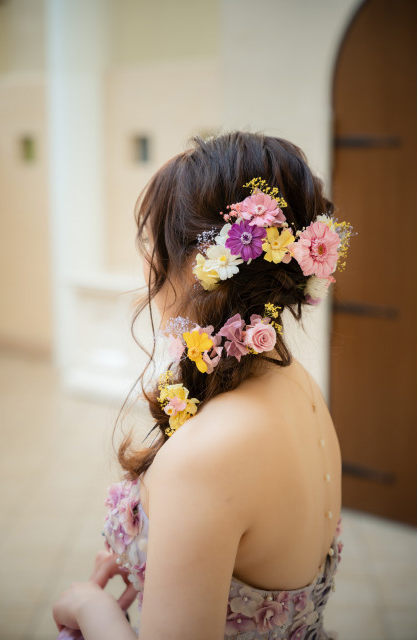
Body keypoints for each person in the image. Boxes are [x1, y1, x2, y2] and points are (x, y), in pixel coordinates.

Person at [53, 132, 351, 639]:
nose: (147, 264)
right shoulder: (298, 385)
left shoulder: (209, 453)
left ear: (200, 263)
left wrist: (89, 608)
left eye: (152, 243)